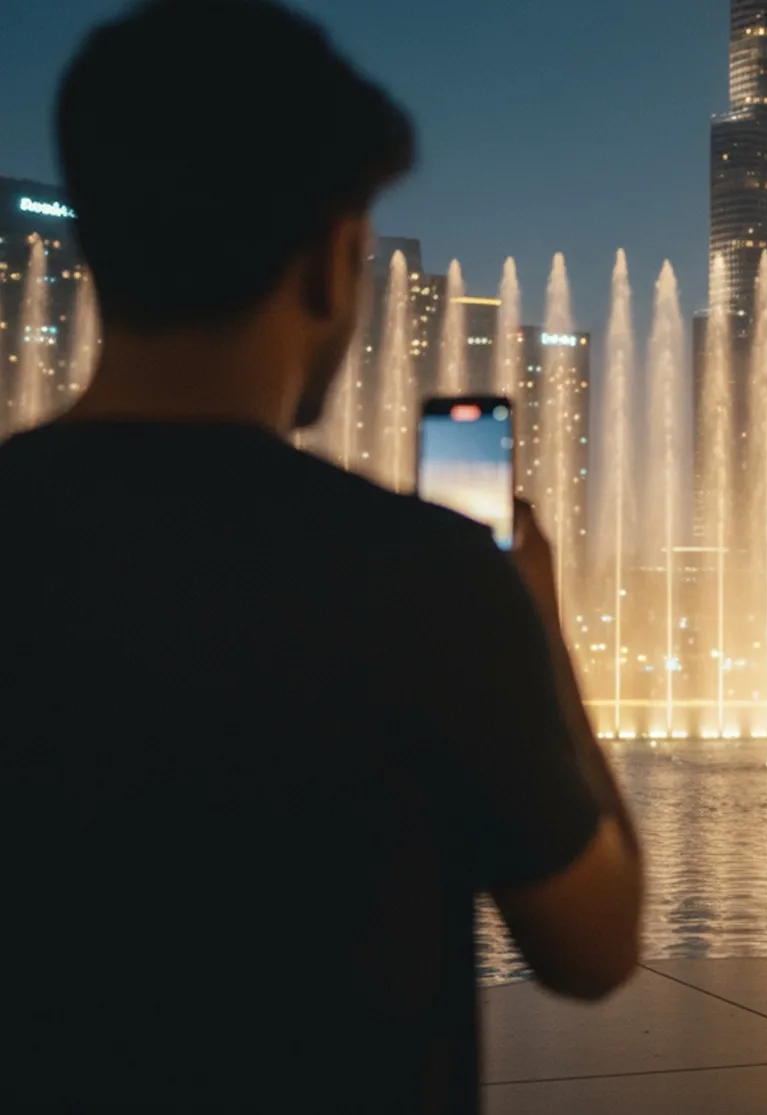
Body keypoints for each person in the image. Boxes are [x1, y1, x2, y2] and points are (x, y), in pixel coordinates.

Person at [0, 2, 641, 1111]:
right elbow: (595, 944)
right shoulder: (428, 578)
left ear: (96, 242)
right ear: (333, 260)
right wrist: (534, 622)